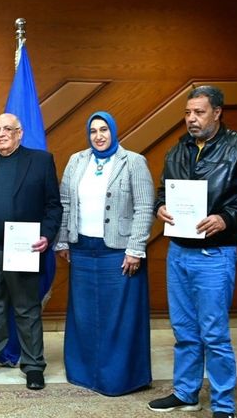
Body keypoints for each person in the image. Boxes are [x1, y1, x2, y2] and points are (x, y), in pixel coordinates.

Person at [148, 86, 237, 418]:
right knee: (184, 330)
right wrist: (160, 207)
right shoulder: (178, 150)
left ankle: (223, 404)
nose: (191, 119)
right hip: (178, 252)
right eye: (188, 113)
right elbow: (163, 191)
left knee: (214, 334)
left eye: (199, 112)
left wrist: (226, 217)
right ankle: (186, 393)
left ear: (217, 112)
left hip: (215, 254)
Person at [0, 112, 62, 390]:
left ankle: (33, 366)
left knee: (26, 309)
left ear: (20, 133)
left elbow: (53, 206)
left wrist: (46, 235)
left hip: (24, 249)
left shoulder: (41, 161)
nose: (1, 134)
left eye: (7, 129)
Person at [54, 111, 154, 396]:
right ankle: (85, 374)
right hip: (82, 250)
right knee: (84, 315)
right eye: (93, 131)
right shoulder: (76, 161)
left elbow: (144, 208)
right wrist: (63, 241)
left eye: (104, 130)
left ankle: (120, 378)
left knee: (119, 318)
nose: (98, 136)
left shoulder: (133, 161)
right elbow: (65, 203)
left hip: (119, 253)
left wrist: (135, 249)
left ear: (113, 131)